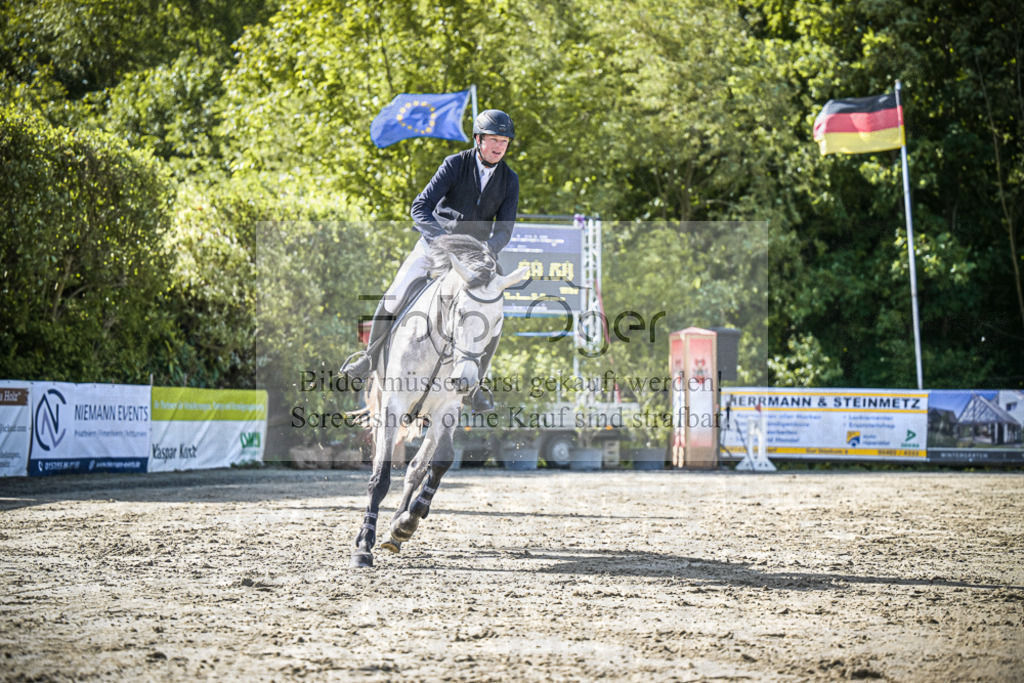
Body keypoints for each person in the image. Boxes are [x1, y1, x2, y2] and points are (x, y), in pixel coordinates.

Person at [341, 109, 520, 412]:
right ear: (478, 140)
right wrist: (441, 240)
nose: (499, 146)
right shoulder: (455, 164)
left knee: (493, 316)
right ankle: (369, 359)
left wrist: (488, 250)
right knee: (395, 295)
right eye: (493, 140)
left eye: (504, 141)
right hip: (433, 246)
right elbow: (420, 206)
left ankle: (476, 386)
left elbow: (505, 229)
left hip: (473, 257)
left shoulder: (509, 180)